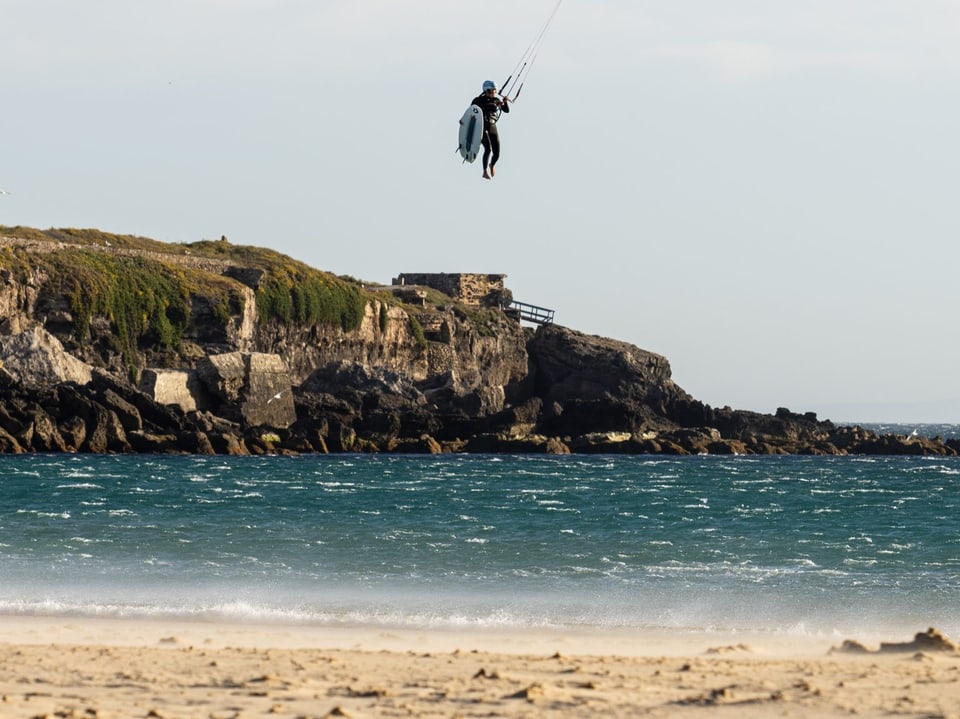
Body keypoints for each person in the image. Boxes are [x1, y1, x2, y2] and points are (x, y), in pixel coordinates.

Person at [470, 80, 510, 179]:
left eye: (495, 91)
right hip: (481, 126)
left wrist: (504, 103)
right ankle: (484, 171)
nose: (494, 93)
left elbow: (506, 110)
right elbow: (471, 112)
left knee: (497, 152)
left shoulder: (496, 100)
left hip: (492, 125)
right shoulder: (478, 100)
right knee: (488, 149)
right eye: (492, 91)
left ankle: (492, 165)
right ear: (486, 90)